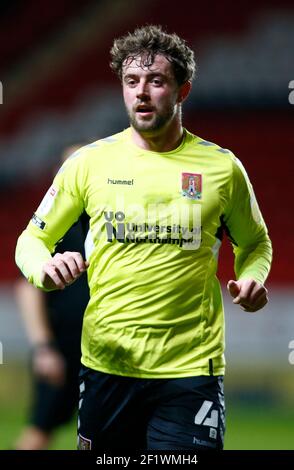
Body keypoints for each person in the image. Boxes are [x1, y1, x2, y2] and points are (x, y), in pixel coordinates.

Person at [15, 25, 272, 451]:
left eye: (156, 81)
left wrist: (253, 277)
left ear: (182, 90)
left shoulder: (223, 169)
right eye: (131, 82)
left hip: (190, 371)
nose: (142, 93)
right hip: (107, 365)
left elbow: (256, 243)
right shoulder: (88, 164)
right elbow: (30, 240)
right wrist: (43, 267)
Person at [14, 146, 89, 450]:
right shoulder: (56, 227)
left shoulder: (110, 224)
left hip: (105, 350)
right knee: (40, 431)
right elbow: (26, 289)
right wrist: (44, 347)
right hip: (63, 349)